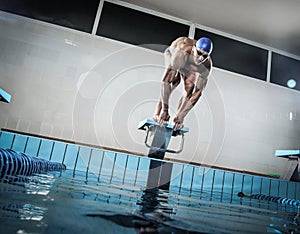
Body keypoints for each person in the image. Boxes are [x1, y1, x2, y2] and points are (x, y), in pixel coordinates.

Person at [152, 36, 213, 130]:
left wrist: (181, 116)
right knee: (174, 81)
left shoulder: (206, 66)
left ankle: (177, 119)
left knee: (190, 87)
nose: (201, 58)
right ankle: (157, 112)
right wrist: (165, 110)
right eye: (199, 53)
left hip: (188, 65)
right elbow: (166, 81)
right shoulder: (182, 52)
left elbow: (198, 93)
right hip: (172, 53)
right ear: (193, 49)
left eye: (204, 56)